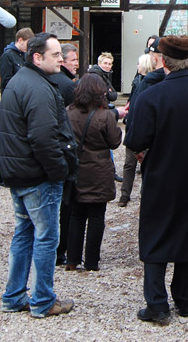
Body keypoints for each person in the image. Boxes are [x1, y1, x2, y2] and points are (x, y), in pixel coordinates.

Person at [124, 36, 188, 325]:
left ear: (161, 60)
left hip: (162, 175)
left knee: (156, 235)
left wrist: (144, 151)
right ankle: (186, 300)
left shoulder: (152, 95)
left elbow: (135, 139)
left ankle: (157, 304)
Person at [0, 32, 77, 318]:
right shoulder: (38, 88)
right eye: (55, 55)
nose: (61, 59)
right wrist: (59, 171)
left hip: (20, 173)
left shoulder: (20, 81)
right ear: (37, 57)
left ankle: (14, 296)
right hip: (38, 177)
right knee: (46, 238)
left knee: (24, 234)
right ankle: (42, 300)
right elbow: (43, 138)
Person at [65, 74, 123, 271]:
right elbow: (115, 142)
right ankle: (91, 261)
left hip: (77, 168)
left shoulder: (69, 112)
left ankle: (72, 259)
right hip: (99, 169)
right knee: (97, 216)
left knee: (76, 215)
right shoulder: (105, 115)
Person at [50, 43, 80, 266]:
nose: (76, 63)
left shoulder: (49, 81)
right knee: (65, 206)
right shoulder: (67, 86)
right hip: (64, 150)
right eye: (73, 60)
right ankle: (60, 250)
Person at [117, 53, 155, 207]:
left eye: (139, 63)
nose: (137, 66)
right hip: (132, 126)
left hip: (143, 128)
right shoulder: (137, 81)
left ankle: (145, 195)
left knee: (146, 164)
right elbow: (132, 101)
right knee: (129, 164)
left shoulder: (150, 84)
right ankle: (125, 194)